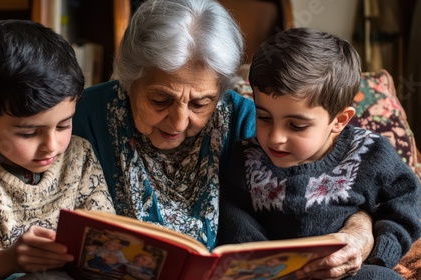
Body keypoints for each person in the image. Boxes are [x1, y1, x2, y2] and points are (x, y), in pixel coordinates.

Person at [72, 0, 377, 278]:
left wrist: (359, 229)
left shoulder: (249, 121)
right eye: (160, 100)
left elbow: (331, 183)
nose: (179, 122)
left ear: (221, 90)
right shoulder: (81, 115)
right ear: (129, 79)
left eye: (200, 103)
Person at [218, 27, 421, 279]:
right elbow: (235, 216)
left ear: (339, 120)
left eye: (296, 125)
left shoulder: (370, 152)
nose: (275, 137)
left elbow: (407, 205)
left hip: (347, 272)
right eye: (264, 117)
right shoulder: (245, 158)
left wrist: (380, 253)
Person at [0, 20, 115, 279]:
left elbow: (104, 231)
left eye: (63, 125)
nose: (52, 146)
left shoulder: (79, 155)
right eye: (28, 133)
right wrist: (8, 261)